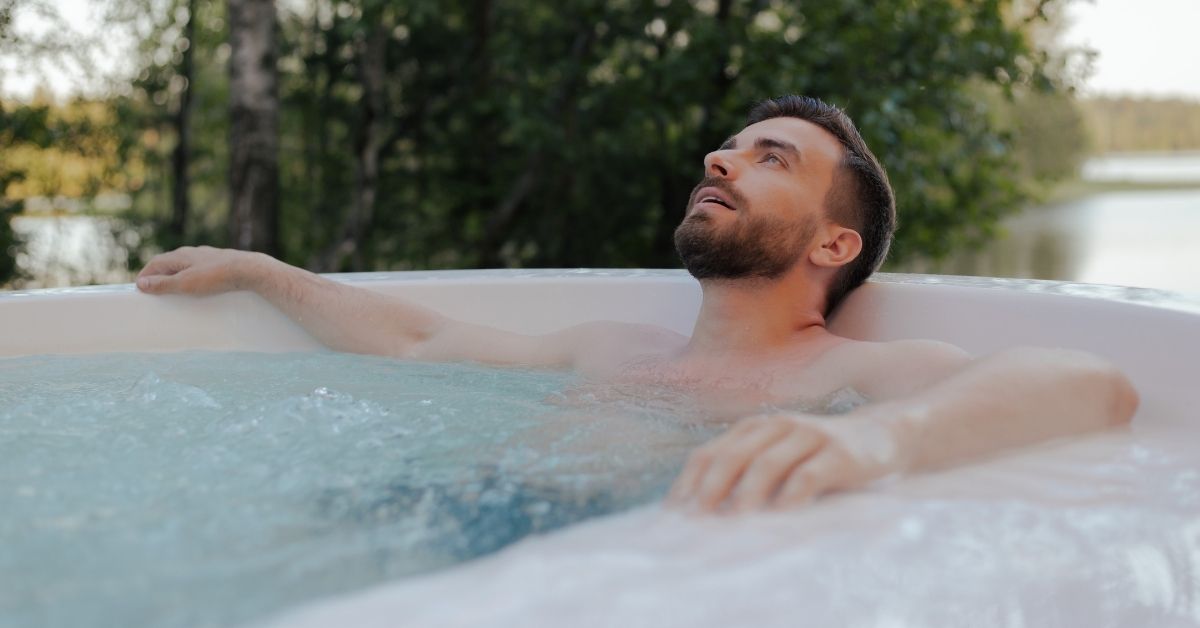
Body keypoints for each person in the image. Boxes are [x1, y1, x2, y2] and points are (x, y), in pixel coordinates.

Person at [136, 95, 1138, 514]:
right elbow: (418, 339)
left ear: (835, 244)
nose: (720, 158)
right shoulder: (612, 344)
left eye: (769, 157)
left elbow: (1094, 384)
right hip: (435, 521)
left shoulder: (856, 376)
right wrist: (259, 270)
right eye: (728, 148)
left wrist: (887, 441)